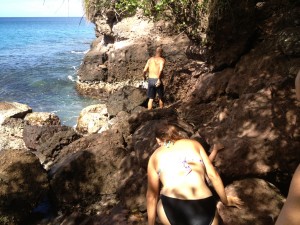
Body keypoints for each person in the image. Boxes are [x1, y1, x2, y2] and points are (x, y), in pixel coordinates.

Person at [146, 123, 243, 225]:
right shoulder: (195, 144)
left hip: (171, 205)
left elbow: (152, 196)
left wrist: (150, 223)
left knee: (160, 204)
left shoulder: (154, 156)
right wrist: (225, 200)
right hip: (204, 205)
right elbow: (213, 175)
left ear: (158, 140)